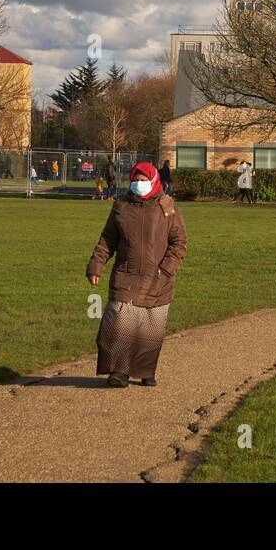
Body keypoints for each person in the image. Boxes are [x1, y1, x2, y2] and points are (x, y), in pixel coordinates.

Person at [86, 162, 186, 388]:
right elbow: (108, 239)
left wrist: (167, 269)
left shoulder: (167, 206)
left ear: (153, 181)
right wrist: (96, 265)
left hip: (157, 277)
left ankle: (145, 370)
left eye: (143, 180)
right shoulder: (121, 205)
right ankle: (119, 371)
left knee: (151, 326)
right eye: (135, 180)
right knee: (119, 321)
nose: (138, 184)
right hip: (127, 275)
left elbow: (179, 243)